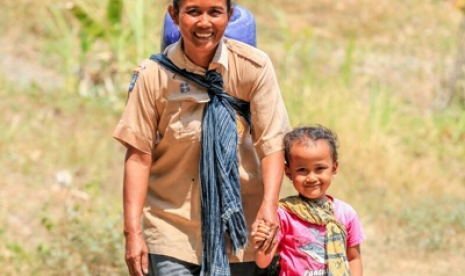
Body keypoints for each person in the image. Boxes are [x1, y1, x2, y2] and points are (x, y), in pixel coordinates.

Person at [112, 0, 290, 275]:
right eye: (193, 11)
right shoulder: (154, 76)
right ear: (174, 14)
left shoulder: (253, 67)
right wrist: (132, 231)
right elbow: (138, 156)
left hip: (241, 226)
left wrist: (269, 207)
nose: (204, 23)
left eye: (215, 12)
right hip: (172, 227)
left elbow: (272, 145)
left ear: (229, 15)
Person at [252, 125, 365, 276]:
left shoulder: (346, 214)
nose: (311, 177)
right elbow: (263, 262)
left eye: (320, 168)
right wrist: (262, 243)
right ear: (288, 172)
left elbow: (353, 258)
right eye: (302, 170)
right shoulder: (283, 215)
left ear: (334, 168)